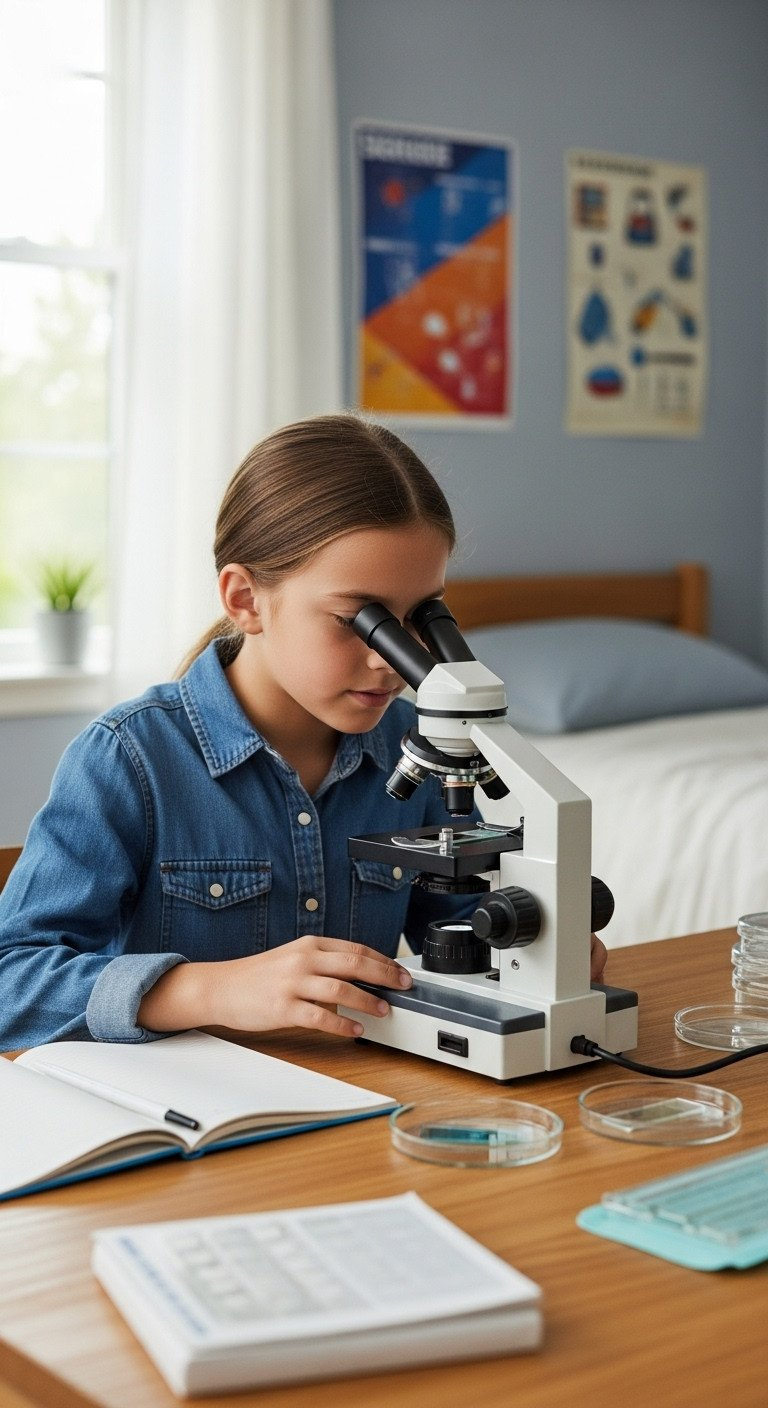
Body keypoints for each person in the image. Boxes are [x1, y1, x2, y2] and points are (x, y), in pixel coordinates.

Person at [0, 414, 606, 1049]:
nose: (390, 659)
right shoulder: (131, 759)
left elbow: (460, 926)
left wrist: (540, 949)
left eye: (420, 617)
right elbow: (12, 981)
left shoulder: (417, 748)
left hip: (361, 1099)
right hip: (199, 1113)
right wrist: (213, 989)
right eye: (358, 620)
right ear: (244, 599)